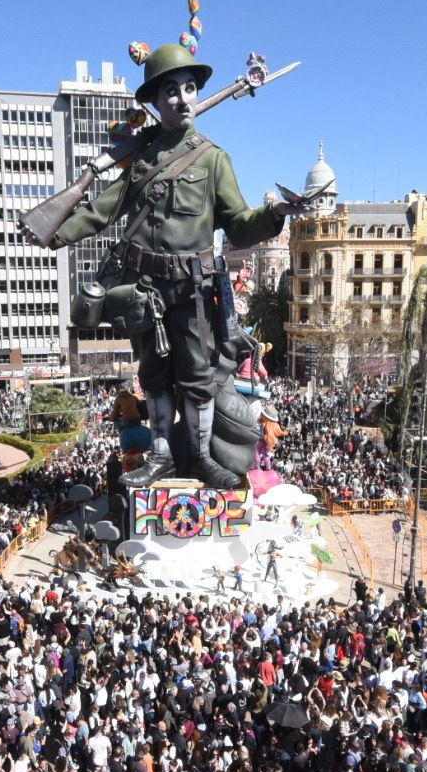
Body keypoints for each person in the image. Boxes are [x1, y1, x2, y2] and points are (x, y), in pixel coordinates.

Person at [40, 40, 306, 489]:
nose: (183, 99)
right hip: (145, 291)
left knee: (198, 379)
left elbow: (240, 226)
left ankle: (201, 457)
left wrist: (276, 213)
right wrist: (54, 233)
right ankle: (161, 457)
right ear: (156, 102)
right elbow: (103, 209)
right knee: (155, 377)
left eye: (189, 88)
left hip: (193, 291)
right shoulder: (143, 159)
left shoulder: (213, 159)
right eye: (171, 91)